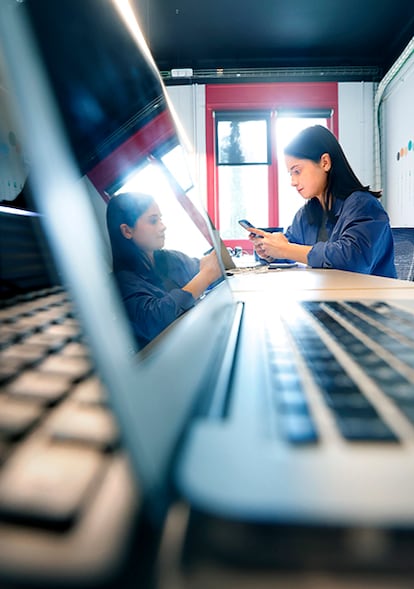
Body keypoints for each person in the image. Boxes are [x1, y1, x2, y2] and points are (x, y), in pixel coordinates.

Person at [250, 125, 397, 278]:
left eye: (297, 171)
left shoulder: (364, 206)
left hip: (371, 299)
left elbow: (352, 260)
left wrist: (285, 249)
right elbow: (292, 250)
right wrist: (269, 252)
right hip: (330, 296)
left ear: (325, 162)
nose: (293, 182)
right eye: (291, 174)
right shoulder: (306, 214)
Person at [106, 191, 222, 349]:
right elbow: (157, 319)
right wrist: (206, 275)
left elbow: (201, 267)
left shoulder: (169, 258)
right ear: (127, 231)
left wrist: (216, 262)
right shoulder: (122, 283)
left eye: (160, 219)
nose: (163, 226)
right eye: (153, 221)